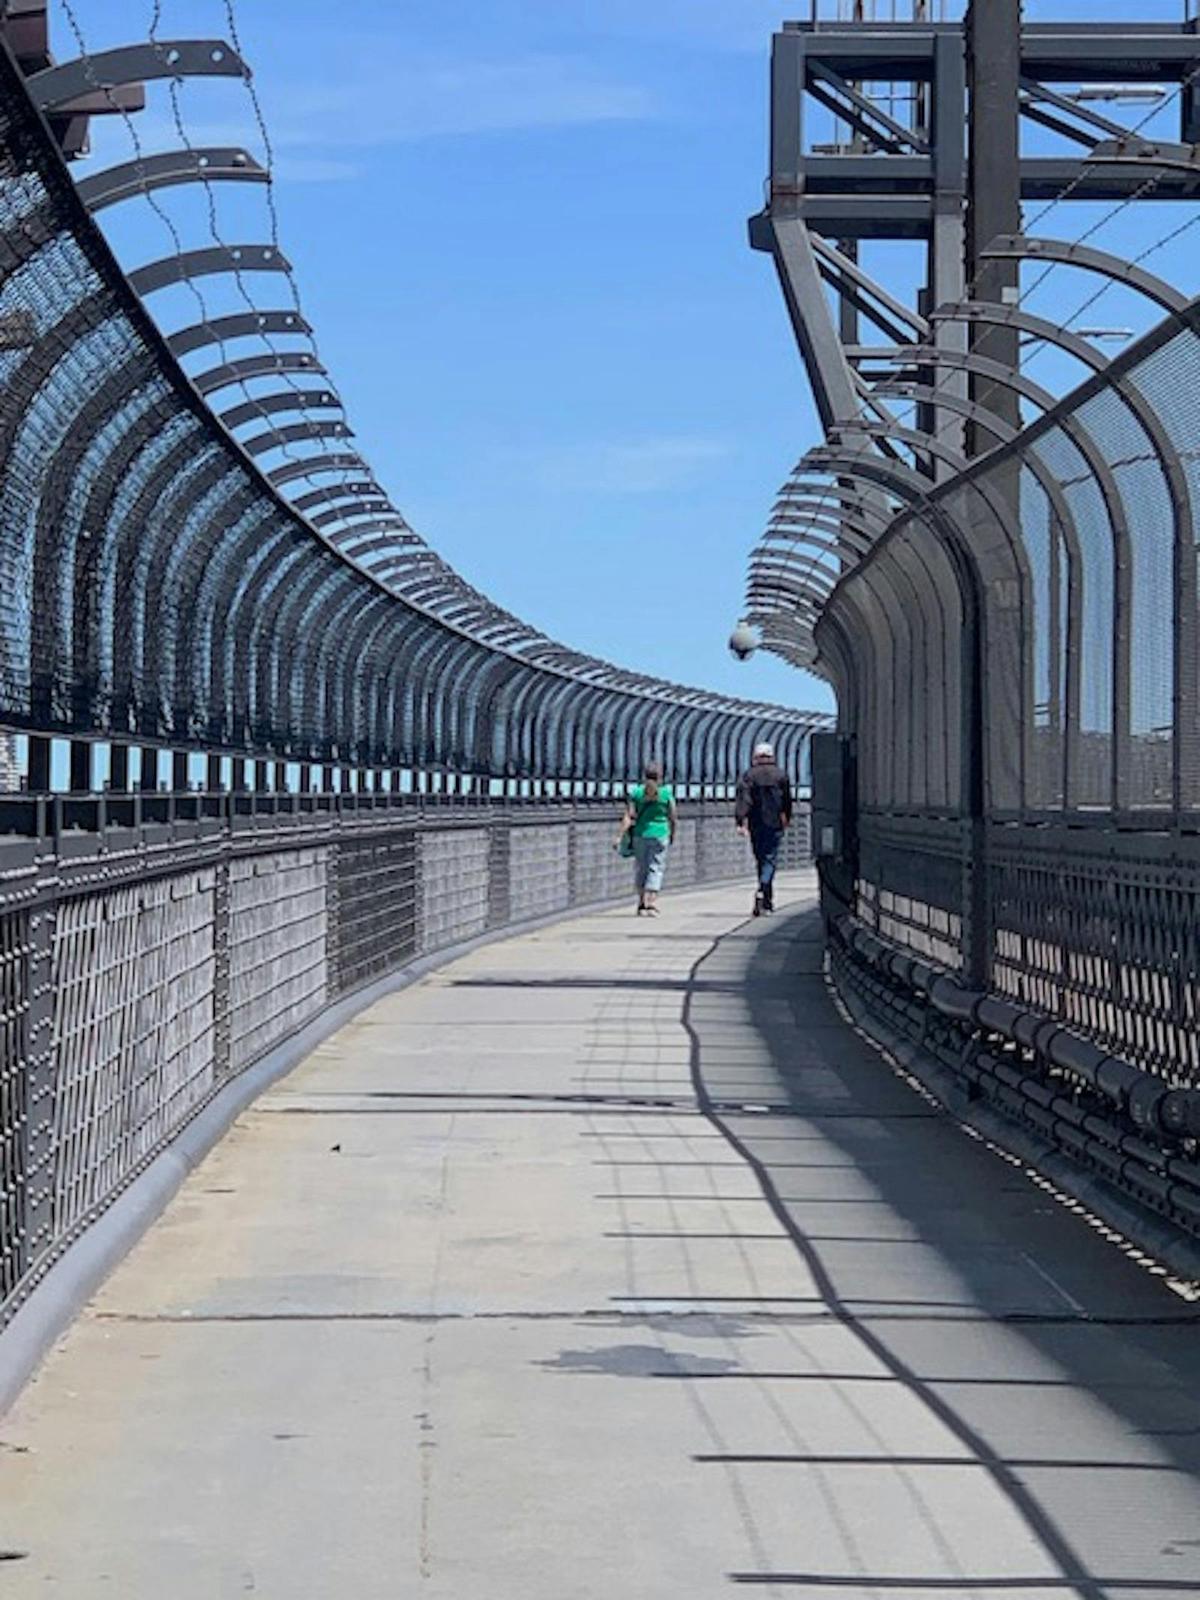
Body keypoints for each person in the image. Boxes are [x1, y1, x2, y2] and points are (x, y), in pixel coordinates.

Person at [735, 741, 793, 916]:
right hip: (774, 823)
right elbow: (787, 800)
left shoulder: (749, 776)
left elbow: (744, 800)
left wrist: (740, 821)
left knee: (761, 858)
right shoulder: (780, 775)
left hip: (756, 823)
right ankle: (764, 892)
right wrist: (787, 818)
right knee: (770, 859)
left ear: (756, 757)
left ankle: (765, 898)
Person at [617, 760, 677, 916]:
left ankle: (641, 902)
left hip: (640, 834)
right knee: (655, 867)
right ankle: (651, 902)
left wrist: (619, 836)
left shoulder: (637, 793)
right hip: (660, 833)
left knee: (641, 869)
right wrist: (673, 833)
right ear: (661, 776)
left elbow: (629, 816)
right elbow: (673, 816)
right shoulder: (666, 793)